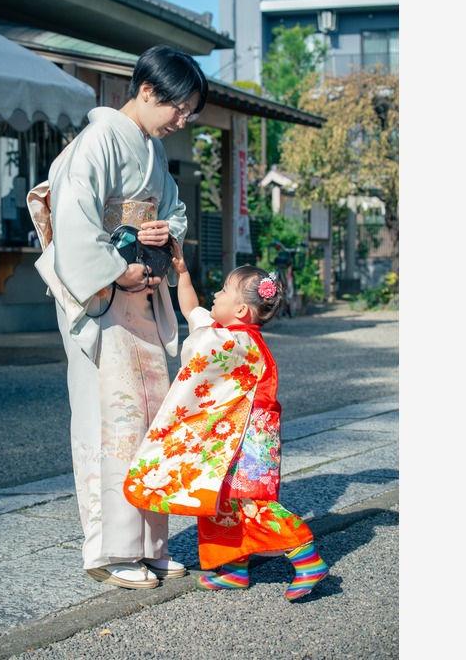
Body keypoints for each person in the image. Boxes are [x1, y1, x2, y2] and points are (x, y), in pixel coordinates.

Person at [37, 45, 208, 590]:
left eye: (189, 113)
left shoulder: (153, 154)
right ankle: (111, 551)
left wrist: (165, 234)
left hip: (140, 293)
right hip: (106, 298)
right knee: (109, 422)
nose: (182, 121)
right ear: (147, 92)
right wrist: (114, 274)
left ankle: (152, 546)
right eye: (178, 109)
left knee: (150, 418)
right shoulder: (97, 143)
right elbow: (72, 220)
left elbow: (173, 212)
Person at [123, 245, 331, 601]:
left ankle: (307, 558)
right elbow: (195, 313)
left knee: (252, 505)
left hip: (246, 444)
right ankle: (233, 569)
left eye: (222, 291)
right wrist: (183, 274)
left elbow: (201, 336)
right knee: (219, 502)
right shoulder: (232, 337)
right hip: (233, 440)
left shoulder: (238, 343)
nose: (214, 296)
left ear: (240, 310)